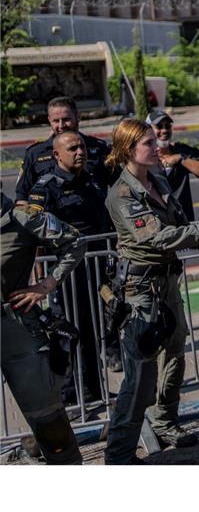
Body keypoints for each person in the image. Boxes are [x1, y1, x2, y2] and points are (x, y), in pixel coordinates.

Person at [102, 118, 199, 464]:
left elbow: (179, 225)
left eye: (155, 141)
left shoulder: (158, 178)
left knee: (175, 354)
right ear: (127, 150)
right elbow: (157, 237)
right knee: (140, 376)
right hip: (140, 290)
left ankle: (165, 421)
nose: (157, 147)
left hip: (166, 281)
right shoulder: (121, 194)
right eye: (148, 143)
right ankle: (119, 454)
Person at [26, 130, 113, 404]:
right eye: (73, 148)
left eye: (83, 147)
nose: (80, 152)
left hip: (95, 270)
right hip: (64, 275)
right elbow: (34, 232)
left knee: (93, 332)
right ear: (56, 155)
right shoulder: (45, 189)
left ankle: (94, 390)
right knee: (66, 333)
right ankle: (67, 395)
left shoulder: (92, 183)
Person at [2, 194, 87, 464]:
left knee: (50, 423)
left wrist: (45, 286)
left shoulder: (23, 218)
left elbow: (75, 242)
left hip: (16, 331)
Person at [15, 96, 112, 202]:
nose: (61, 125)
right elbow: (22, 197)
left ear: (77, 117)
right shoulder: (35, 153)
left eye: (66, 119)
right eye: (56, 121)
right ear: (49, 121)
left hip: (94, 215)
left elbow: (121, 185)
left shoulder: (99, 148)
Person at [147, 109, 199, 220]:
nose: (164, 130)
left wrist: (180, 158)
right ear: (149, 130)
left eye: (167, 126)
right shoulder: (145, 157)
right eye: (159, 127)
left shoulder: (180, 150)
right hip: (160, 222)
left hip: (185, 221)